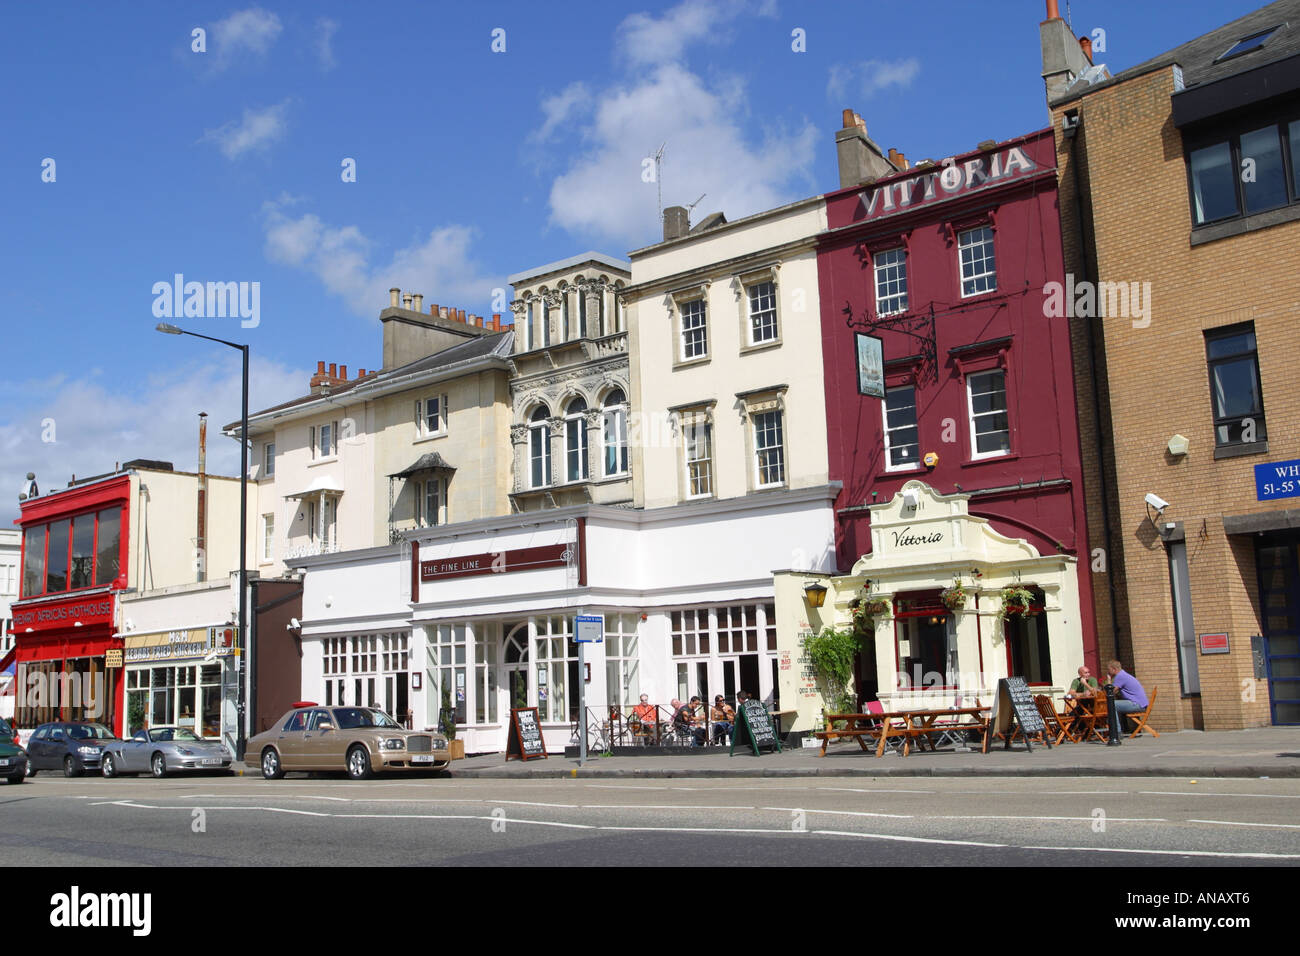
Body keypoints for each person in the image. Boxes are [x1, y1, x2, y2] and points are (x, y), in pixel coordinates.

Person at [1105, 659, 1149, 731]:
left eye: (1109, 669)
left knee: (1111, 704)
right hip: (1141, 704)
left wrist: (1109, 679)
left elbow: (1111, 692)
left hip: (1137, 704)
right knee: (1113, 703)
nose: (1108, 672)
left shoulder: (1120, 676)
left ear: (1114, 669)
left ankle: (1116, 731)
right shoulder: (1124, 675)